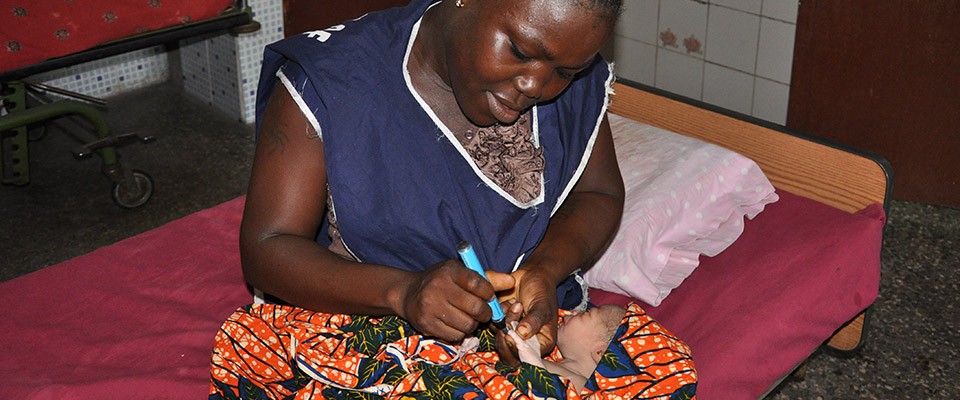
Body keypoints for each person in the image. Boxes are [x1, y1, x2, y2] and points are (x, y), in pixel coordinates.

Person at [238, 0, 625, 368]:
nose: (535, 85)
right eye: (521, 52)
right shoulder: (333, 78)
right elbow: (268, 246)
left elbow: (598, 193)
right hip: (371, 330)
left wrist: (543, 269)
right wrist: (402, 292)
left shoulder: (566, 57)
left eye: (566, 72)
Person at [507, 304, 626, 391]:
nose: (574, 312)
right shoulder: (558, 363)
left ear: (600, 353)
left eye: (586, 313)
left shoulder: (581, 387)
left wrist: (528, 355)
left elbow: (549, 390)